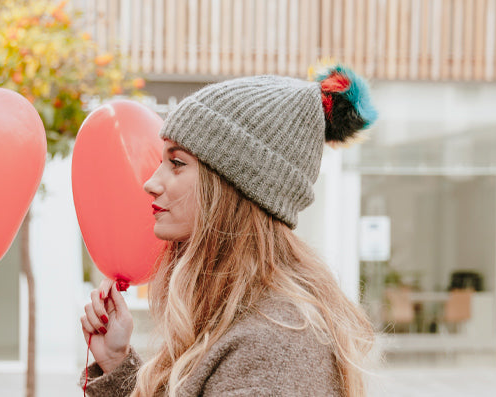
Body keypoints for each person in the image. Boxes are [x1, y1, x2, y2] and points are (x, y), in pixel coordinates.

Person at [80, 65, 378, 396]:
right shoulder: (238, 317)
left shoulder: (275, 345)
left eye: (176, 163)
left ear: (232, 185)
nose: (151, 183)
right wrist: (117, 363)